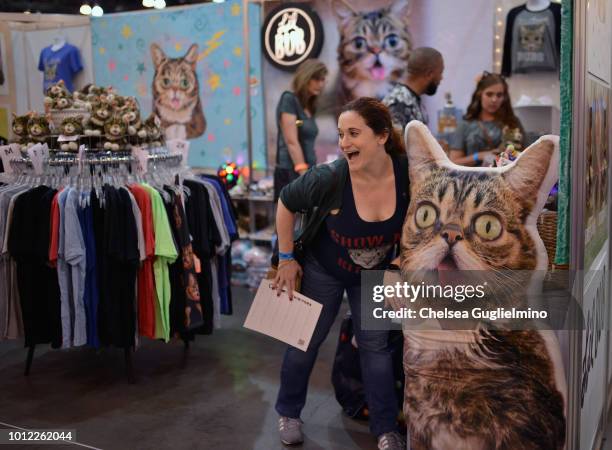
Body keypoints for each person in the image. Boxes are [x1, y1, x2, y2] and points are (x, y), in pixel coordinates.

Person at [273, 98, 409, 450]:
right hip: (324, 270)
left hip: (375, 275)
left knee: (376, 349)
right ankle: (289, 412)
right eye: (340, 135)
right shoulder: (330, 177)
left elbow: (418, 225)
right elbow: (286, 203)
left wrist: (397, 265)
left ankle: (385, 429)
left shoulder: (407, 174)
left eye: (353, 133)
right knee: (304, 343)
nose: (344, 143)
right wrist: (287, 258)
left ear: (381, 136)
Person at [273, 59, 328, 201]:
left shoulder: (310, 105)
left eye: (322, 80)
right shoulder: (289, 99)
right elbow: (291, 141)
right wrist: (303, 172)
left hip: (307, 171)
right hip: (292, 172)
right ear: (305, 77)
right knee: (291, 222)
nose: (320, 84)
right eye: (316, 79)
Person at [450, 71, 526, 166]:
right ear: (479, 95)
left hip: (506, 178)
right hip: (473, 179)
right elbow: (453, 163)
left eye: (499, 95)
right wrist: (478, 156)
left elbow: (523, 158)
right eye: (489, 94)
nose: (494, 100)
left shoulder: (512, 122)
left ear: (504, 98)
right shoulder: (465, 125)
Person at [382, 47, 444, 131]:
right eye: (440, 73)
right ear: (429, 74)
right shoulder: (399, 105)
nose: (441, 78)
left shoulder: (409, 100)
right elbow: (394, 143)